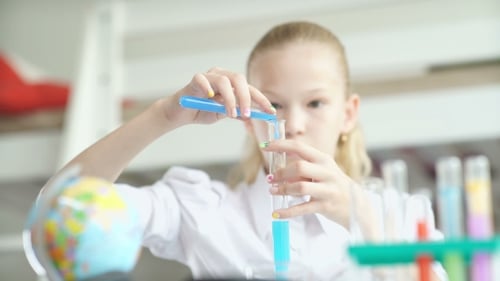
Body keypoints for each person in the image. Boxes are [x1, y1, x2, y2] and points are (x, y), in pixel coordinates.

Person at [44, 21, 445, 280]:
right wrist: (162, 115)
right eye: (274, 106)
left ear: (348, 113)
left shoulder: (404, 217)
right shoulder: (203, 210)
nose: (296, 124)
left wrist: (366, 222)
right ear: (250, 117)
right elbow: (59, 211)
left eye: (316, 103)